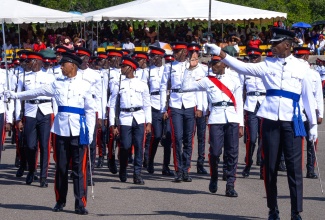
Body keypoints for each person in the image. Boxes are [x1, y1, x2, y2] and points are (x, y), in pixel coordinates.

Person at [206, 28, 317, 220]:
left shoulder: (302, 67)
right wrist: (220, 53)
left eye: (277, 44)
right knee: (270, 167)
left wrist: (313, 124)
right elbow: (242, 67)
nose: (273, 47)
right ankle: (273, 209)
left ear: (288, 45)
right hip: (271, 120)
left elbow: (308, 97)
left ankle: (295, 211)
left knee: (294, 168)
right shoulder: (267, 65)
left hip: (293, 121)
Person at [6, 52, 95, 215]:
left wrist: (89, 134)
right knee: (61, 168)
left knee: (78, 169)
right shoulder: (57, 84)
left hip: (78, 130)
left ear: (73, 66)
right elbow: (36, 91)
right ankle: (60, 200)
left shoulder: (86, 84)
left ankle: (80, 203)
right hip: (61, 130)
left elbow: (90, 110)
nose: (60, 66)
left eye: (64, 64)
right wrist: (16, 95)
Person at [182, 53, 243, 197]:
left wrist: (241, 124)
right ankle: (214, 176)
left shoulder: (234, 79)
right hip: (216, 118)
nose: (213, 66)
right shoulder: (208, 80)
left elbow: (239, 103)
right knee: (215, 152)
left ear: (224, 64)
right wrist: (189, 69)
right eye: (212, 64)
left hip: (232, 118)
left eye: (216, 63)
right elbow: (185, 87)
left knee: (232, 153)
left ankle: (230, 185)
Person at [15, 51, 55, 187]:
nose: (28, 64)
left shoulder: (49, 77)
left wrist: (55, 114)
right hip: (30, 112)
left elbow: (55, 97)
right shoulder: (23, 77)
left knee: (44, 145)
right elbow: (18, 98)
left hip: (45, 111)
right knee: (30, 145)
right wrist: (17, 117)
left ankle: (43, 176)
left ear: (37, 62)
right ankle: (32, 170)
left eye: (31, 61)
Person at [109, 56, 151, 185]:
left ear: (131, 68)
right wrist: (112, 124)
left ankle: (137, 174)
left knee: (139, 146)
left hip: (139, 117)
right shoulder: (118, 84)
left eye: (123, 66)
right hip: (125, 117)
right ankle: (123, 168)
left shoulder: (142, 84)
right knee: (125, 146)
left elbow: (147, 104)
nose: (121, 69)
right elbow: (112, 105)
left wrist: (148, 122)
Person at [160, 42, 197, 182]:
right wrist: (164, 107)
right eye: (175, 52)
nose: (176, 54)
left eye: (179, 51)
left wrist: (200, 107)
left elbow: (199, 85)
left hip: (189, 103)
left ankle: (186, 169)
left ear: (185, 52)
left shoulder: (192, 66)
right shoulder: (169, 67)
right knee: (177, 137)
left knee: (188, 139)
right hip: (175, 104)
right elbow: (164, 87)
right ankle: (178, 170)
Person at [293, 47, 324, 179]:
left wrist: (320, 114)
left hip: (311, 109)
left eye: (302, 57)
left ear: (306, 58)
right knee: (297, 141)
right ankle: (297, 169)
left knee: (312, 139)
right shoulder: (293, 71)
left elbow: (318, 95)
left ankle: (310, 169)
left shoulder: (314, 74)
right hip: (298, 110)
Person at [74, 47, 102, 186]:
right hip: (77, 109)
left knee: (91, 143)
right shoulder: (73, 73)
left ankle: (89, 174)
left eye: (86, 59)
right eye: (81, 59)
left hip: (91, 110)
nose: (84, 62)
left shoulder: (95, 75)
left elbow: (100, 96)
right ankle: (77, 171)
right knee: (77, 142)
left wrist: (101, 115)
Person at [241, 47, 265, 179]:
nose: (254, 59)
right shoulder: (246, 70)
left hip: (264, 104)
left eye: (256, 57)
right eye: (252, 57)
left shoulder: (266, 68)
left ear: (260, 57)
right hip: (251, 105)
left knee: (263, 138)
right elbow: (242, 90)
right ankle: (248, 163)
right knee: (252, 138)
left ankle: (262, 166)